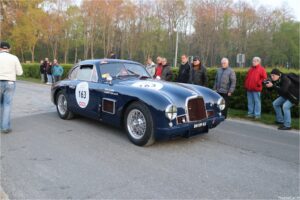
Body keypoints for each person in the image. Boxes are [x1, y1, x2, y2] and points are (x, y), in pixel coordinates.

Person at [0, 41, 23, 133]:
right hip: (10, 82)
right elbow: (20, 72)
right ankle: (5, 127)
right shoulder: (14, 58)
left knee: (1, 105)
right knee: (7, 105)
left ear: (0, 48)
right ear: (9, 49)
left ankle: (3, 125)